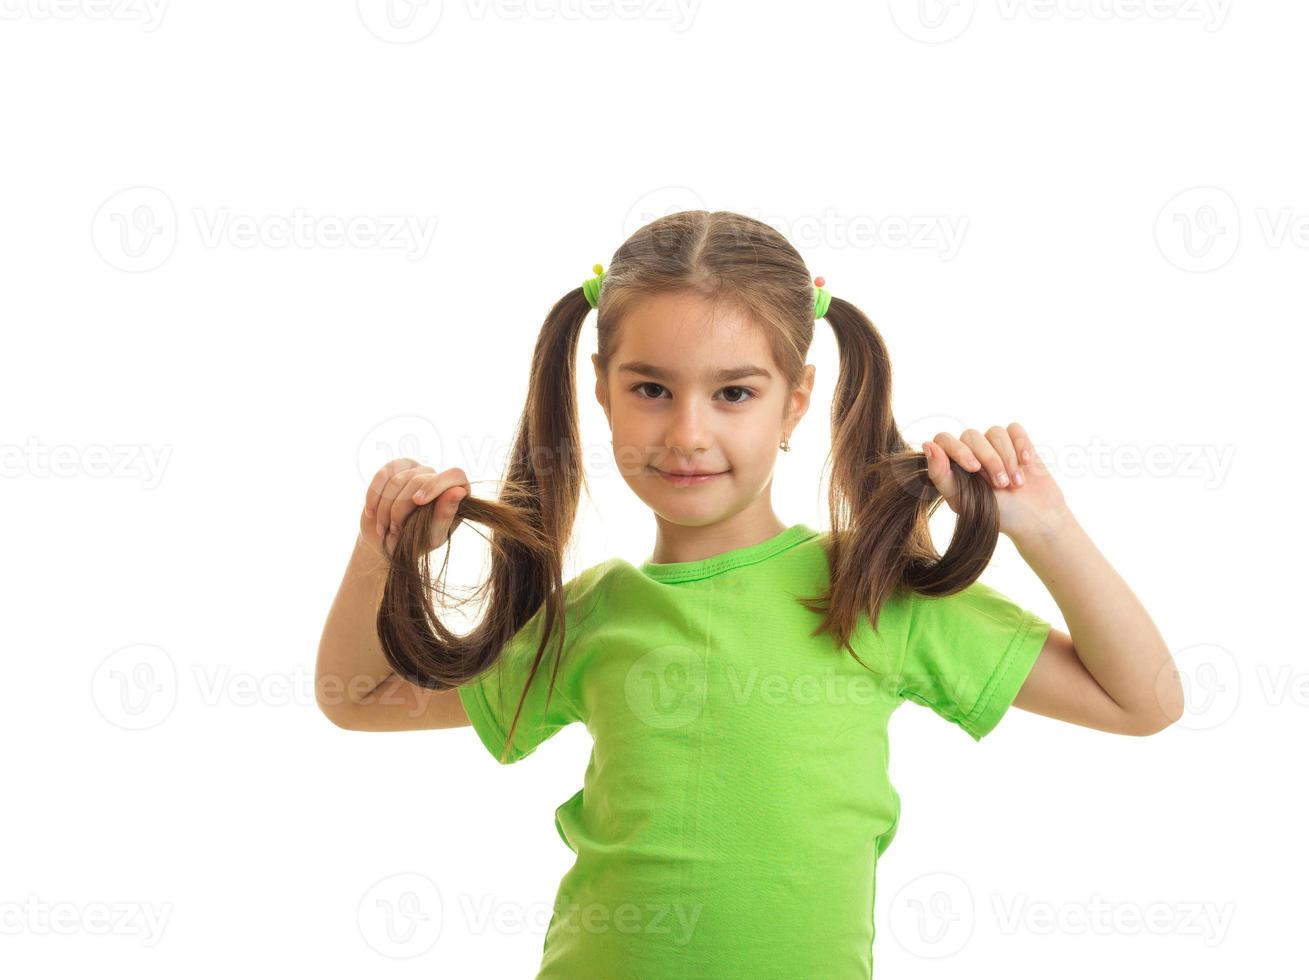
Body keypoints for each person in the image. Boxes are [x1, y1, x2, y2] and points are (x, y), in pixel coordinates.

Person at [315, 210, 1184, 979]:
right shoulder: (592, 617)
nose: (688, 432)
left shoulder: (870, 592)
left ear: (796, 401)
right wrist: (379, 550)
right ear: (601, 392)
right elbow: (361, 700)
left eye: (734, 393)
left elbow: (1142, 701)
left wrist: (1047, 528)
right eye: (650, 389)